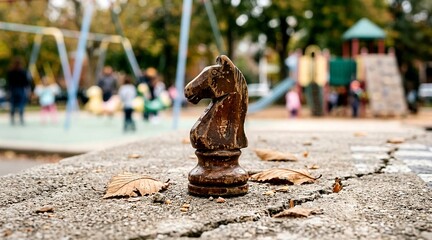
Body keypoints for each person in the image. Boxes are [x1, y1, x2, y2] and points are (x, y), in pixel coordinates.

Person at [6, 57, 30, 125]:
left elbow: (9, 83)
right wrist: (28, 90)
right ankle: (21, 118)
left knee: (13, 105)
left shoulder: (10, 72)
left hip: (13, 89)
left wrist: (8, 91)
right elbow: (26, 82)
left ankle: (12, 119)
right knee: (21, 104)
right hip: (20, 89)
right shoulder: (23, 72)